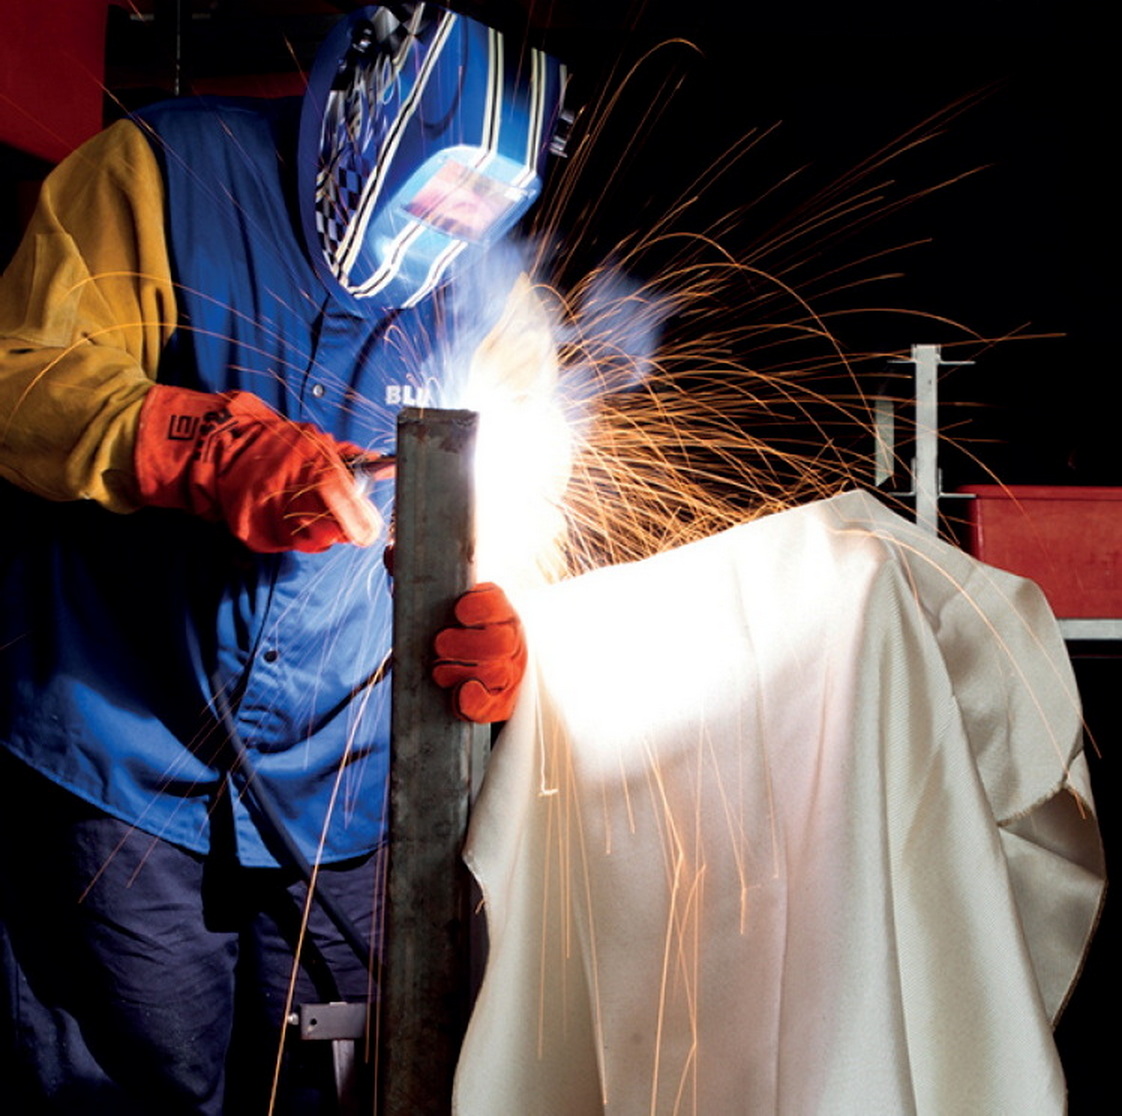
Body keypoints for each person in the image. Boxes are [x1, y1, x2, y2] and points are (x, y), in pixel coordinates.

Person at [0, 4, 566, 1112]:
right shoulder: (161, 174)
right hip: (123, 752)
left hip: (340, 792)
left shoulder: (491, 300)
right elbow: (22, 374)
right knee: (133, 1090)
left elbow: (525, 511)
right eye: (433, 191)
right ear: (364, 125)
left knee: (338, 1086)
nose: (442, 232)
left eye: (475, 211)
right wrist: (202, 444)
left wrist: (510, 623)